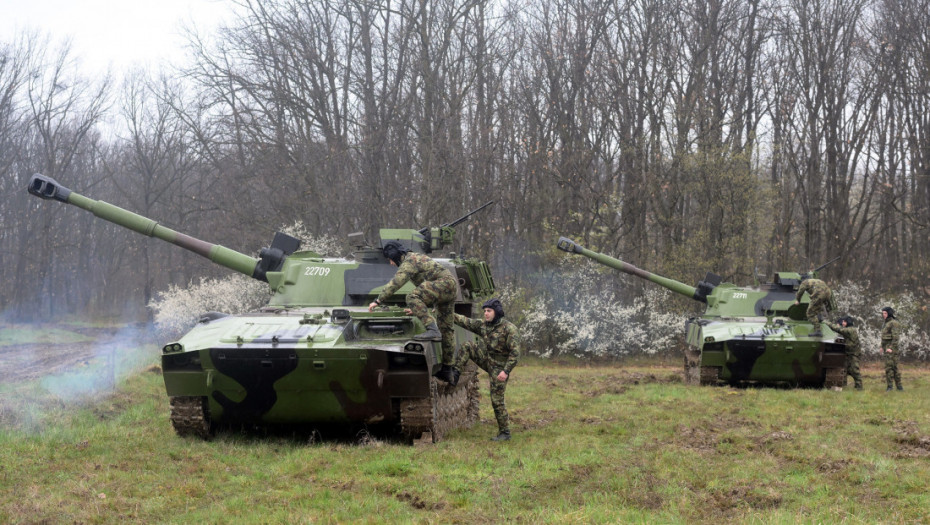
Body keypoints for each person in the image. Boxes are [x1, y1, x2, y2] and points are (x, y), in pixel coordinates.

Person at [368, 241, 458, 381]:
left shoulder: (410, 261)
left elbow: (397, 282)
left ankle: (432, 330)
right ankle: (448, 369)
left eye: (391, 260)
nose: (391, 264)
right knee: (446, 329)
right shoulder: (416, 258)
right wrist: (418, 308)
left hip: (443, 284)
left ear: (395, 256)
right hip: (449, 286)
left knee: (411, 296)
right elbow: (427, 287)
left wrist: (378, 300)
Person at [449, 298, 520, 442]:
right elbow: (463, 320)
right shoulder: (483, 325)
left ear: (497, 312)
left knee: (496, 400)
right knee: (468, 346)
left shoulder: (509, 329)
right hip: (488, 360)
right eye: (485, 311)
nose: (486, 314)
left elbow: (515, 354)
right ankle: (455, 374)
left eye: (489, 311)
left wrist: (505, 372)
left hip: (500, 368)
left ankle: (505, 433)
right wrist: (441, 312)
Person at [826, 316, 862, 390]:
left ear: (847, 322)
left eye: (844, 322)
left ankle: (859, 386)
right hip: (848, 353)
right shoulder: (849, 329)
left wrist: (825, 322)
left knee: (854, 370)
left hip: (853, 354)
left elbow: (838, 329)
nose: (843, 323)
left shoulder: (850, 330)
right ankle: (843, 385)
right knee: (844, 369)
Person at [880, 306, 903, 391]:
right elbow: (884, 337)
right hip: (886, 348)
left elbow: (895, 337)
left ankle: (891, 386)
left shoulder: (893, 323)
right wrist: (881, 346)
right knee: (892, 367)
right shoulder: (885, 323)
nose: (884, 315)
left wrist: (891, 348)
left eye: (885, 313)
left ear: (889, 313)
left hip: (891, 349)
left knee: (891, 368)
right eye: (883, 313)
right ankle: (899, 387)